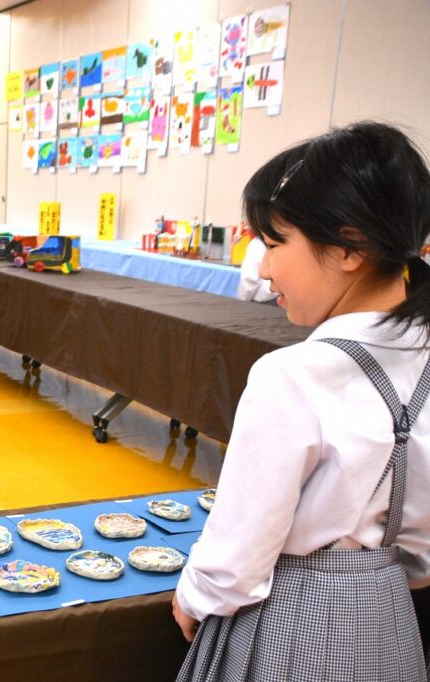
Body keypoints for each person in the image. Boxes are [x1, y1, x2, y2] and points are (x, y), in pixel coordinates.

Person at [173, 121, 430, 680]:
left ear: (349, 247)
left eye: (274, 244)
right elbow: (423, 553)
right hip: (391, 624)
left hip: (289, 625)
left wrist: (193, 597)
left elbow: (237, 558)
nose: (264, 269)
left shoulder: (291, 375)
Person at [235, 231, 278, 302]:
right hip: (281, 297)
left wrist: (242, 301)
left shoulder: (257, 244)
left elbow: (250, 279)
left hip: (264, 300)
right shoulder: (284, 242)